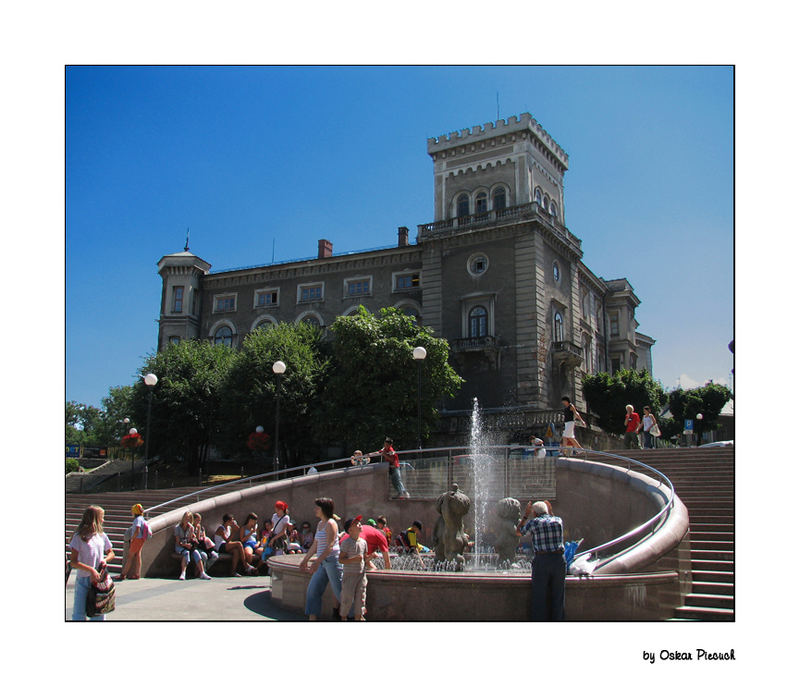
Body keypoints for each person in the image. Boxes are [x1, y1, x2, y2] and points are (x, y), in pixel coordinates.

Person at [516, 500, 566, 621]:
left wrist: (525, 515)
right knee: (558, 597)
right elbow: (551, 518)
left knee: (539, 597)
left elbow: (518, 532)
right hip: (558, 560)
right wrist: (550, 510)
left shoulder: (534, 523)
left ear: (534, 513)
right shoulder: (558, 520)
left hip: (542, 560)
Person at [299, 497, 343, 621]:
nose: (315, 510)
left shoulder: (331, 523)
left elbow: (330, 546)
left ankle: (354, 616)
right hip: (322, 562)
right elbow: (315, 544)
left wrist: (316, 562)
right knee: (312, 591)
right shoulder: (320, 524)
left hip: (332, 562)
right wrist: (305, 560)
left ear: (323, 509)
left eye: (317, 508)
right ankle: (312, 619)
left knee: (340, 592)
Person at [69, 505, 115, 621]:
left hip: (100, 580)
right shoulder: (79, 537)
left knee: (99, 613)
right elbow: (73, 562)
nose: (103, 520)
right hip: (84, 579)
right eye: (102, 517)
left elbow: (111, 553)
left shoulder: (101, 535)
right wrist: (91, 570)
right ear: (95, 518)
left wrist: (105, 560)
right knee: (79, 614)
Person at [339, 516, 368, 621]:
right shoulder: (346, 543)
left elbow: (365, 558)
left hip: (361, 575)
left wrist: (370, 557)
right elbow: (341, 560)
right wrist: (353, 559)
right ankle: (343, 617)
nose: (360, 524)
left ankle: (358, 618)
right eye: (356, 523)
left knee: (361, 599)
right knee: (347, 599)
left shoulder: (364, 542)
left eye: (359, 522)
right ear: (350, 530)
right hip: (349, 574)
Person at [174, 511, 211, 580]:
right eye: (186, 518)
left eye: (189, 519)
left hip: (188, 546)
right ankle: (183, 573)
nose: (187, 520)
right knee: (186, 553)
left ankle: (202, 573)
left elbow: (190, 539)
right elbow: (178, 542)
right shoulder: (178, 527)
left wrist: (192, 539)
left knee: (196, 553)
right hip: (180, 546)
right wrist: (185, 545)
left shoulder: (191, 527)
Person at [118, 503, 147, 580]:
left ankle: (123, 574)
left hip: (137, 539)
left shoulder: (137, 520)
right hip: (142, 539)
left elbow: (137, 530)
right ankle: (137, 574)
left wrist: (132, 538)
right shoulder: (142, 518)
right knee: (138, 556)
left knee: (130, 556)